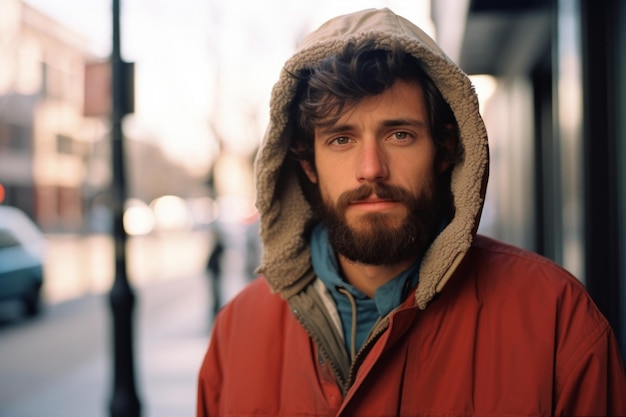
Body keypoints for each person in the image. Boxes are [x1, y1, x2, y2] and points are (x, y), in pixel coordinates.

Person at [197, 8, 626, 416]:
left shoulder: (554, 317)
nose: (371, 169)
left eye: (399, 134)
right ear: (307, 163)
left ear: (444, 149)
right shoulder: (238, 332)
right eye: (341, 140)